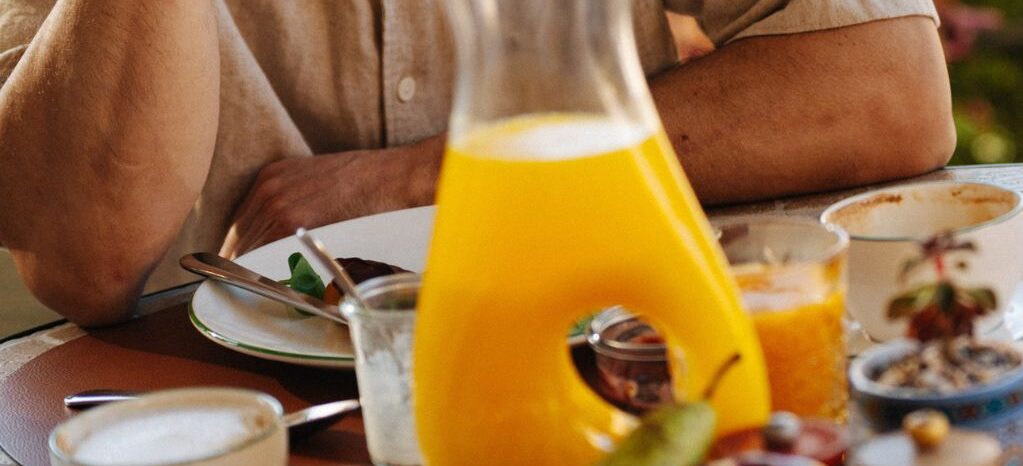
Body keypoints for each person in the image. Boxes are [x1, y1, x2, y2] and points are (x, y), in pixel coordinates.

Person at [0, 1, 955, 326]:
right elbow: (84, 255)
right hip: (223, 441)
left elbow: (886, 91)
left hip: (601, 357)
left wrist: (419, 177)